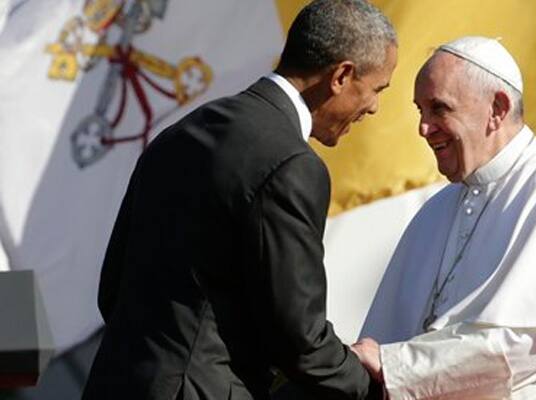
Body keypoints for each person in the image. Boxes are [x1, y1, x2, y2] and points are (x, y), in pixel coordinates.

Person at [82, 1, 397, 399]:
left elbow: (112, 289)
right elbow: (298, 337)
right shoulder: (292, 164)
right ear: (342, 76)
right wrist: (377, 386)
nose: (374, 107)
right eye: (377, 89)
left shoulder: (180, 133)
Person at [353, 36, 536, 399]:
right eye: (421, 111)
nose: (424, 128)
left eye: (439, 109)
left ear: (497, 107)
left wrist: (396, 366)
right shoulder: (435, 210)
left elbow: (533, 342)